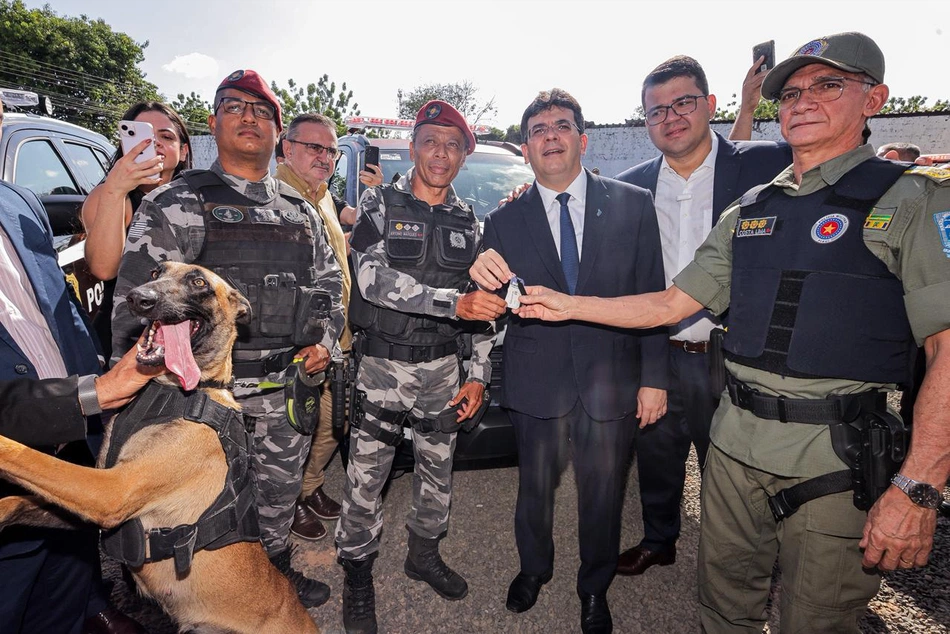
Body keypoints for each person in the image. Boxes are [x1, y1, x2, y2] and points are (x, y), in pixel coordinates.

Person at [478, 32, 950, 633]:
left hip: (833, 441)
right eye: (794, 92)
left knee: (818, 610)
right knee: (724, 596)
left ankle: (600, 583)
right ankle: (648, 541)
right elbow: (671, 299)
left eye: (829, 86)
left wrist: (917, 485)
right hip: (739, 426)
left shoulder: (906, 199)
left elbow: (945, 348)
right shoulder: (750, 208)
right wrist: (561, 303)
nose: (804, 102)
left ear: (875, 98)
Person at [110, 69, 345, 609]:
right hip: (196, 400)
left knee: (275, 504)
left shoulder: (300, 211)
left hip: (284, 390)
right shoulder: (175, 202)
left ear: (275, 134)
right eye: (235, 107)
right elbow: (132, 309)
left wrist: (326, 342)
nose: (249, 117)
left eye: (262, 111)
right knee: (190, 514)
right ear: (213, 123)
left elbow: (331, 283)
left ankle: (272, 581)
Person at [478, 88, 668, 634]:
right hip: (538, 383)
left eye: (561, 126)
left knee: (604, 495)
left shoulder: (632, 204)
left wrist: (654, 378)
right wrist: (479, 282)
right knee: (535, 489)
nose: (550, 136)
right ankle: (534, 570)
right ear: (527, 148)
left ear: (583, 140)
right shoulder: (503, 220)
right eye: (538, 130)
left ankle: (594, 587)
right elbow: (497, 304)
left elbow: (651, 294)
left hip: (612, 381)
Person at [612, 56, 791, 577]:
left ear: (711, 105)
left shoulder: (765, 166)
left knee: (734, 465)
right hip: (659, 351)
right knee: (657, 453)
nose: (670, 117)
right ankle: (659, 539)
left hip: (732, 354)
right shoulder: (630, 187)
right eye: (655, 111)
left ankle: (737, 562)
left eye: (683, 102)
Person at [335, 100, 506, 634]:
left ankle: (423, 555)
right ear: (413, 147)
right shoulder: (378, 203)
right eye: (432, 140)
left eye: (454, 145)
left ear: (463, 158)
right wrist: (450, 303)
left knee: (438, 469)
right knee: (367, 477)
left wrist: (478, 374)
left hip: (443, 372)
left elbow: (484, 306)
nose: (442, 152)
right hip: (383, 368)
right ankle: (358, 574)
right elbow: (370, 281)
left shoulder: (468, 221)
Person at [0, 96, 147, 634]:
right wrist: (97, 393)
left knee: (60, 603)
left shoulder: (18, 203)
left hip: (73, 458)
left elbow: (56, 318)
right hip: (11, 476)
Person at [275, 112, 382, 542]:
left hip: (336, 337)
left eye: (331, 150)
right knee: (294, 431)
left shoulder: (322, 195)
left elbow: (351, 235)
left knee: (333, 422)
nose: (325, 156)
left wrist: (377, 196)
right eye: (313, 147)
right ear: (287, 148)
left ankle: (310, 486)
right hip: (299, 344)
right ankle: (288, 504)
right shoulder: (274, 195)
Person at [81, 101, 192, 359]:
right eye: (143, 136)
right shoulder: (108, 195)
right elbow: (104, 268)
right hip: (124, 342)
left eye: (166, 136)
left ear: (183, 151)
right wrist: (115, 189)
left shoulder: (197, 201)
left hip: (182, 337)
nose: (155, 144)